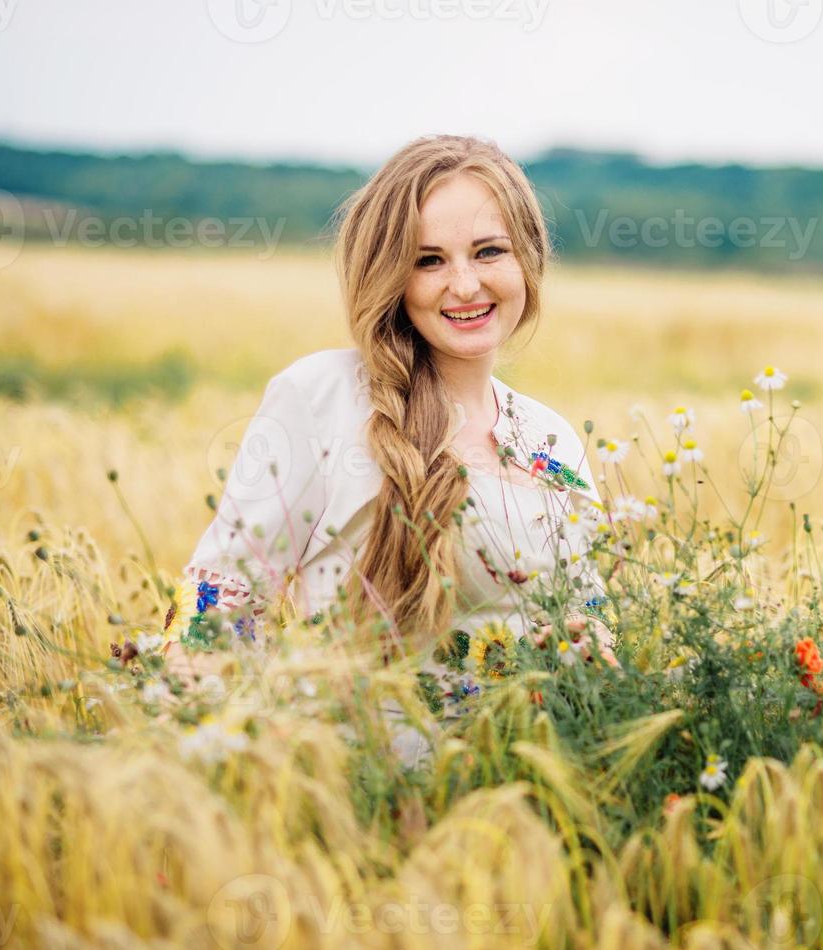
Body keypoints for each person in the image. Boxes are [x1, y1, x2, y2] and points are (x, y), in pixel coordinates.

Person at [166, 135, 618, 723]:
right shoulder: (323, 396)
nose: (464, 285)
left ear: (528, 259)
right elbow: (220, 607)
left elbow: (594, 626)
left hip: (527, 786)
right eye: (428, 260)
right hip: (366, 783)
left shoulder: (550, 438)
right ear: (390, 277)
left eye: (488, 252)